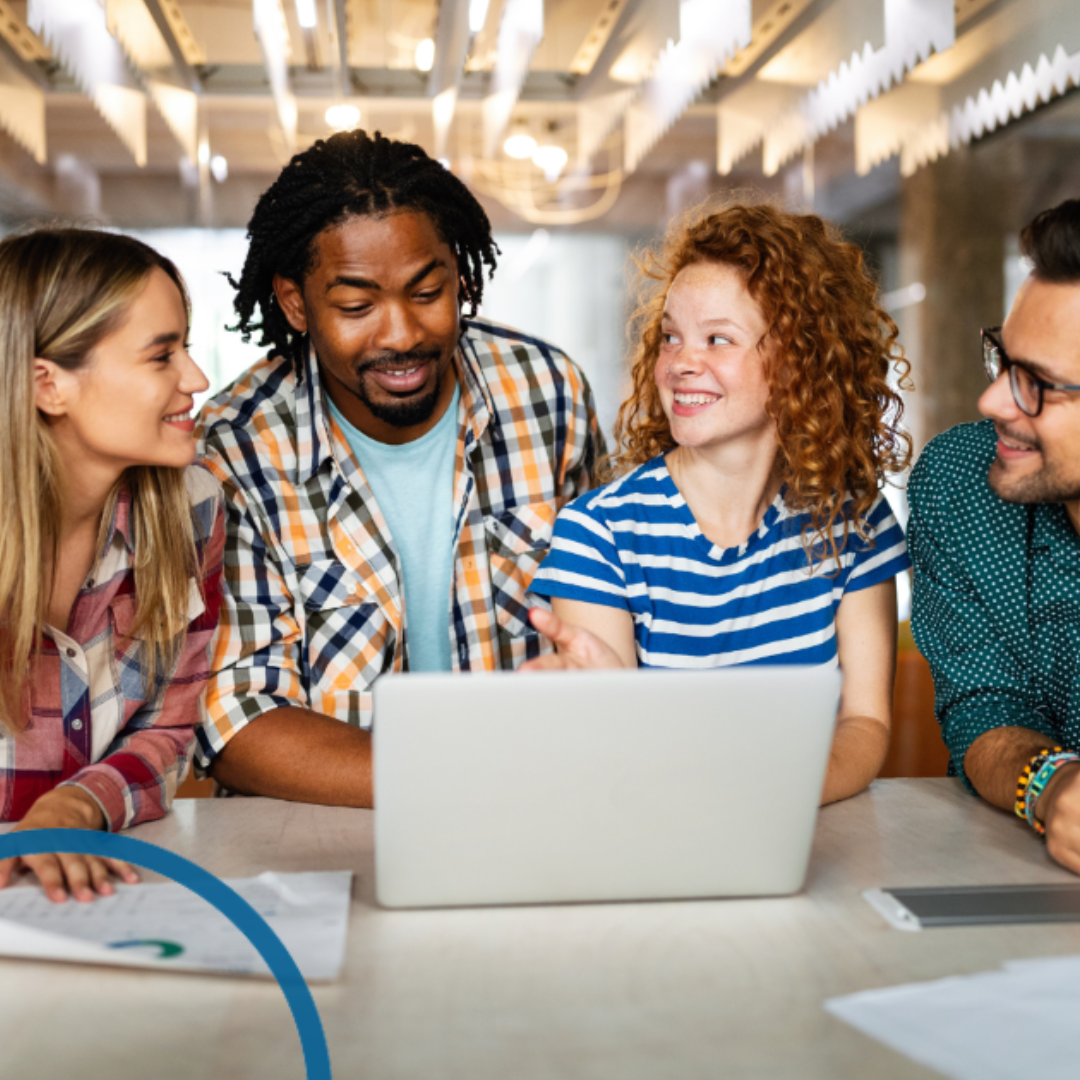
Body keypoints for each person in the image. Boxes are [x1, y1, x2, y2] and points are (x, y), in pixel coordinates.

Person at [195, 129, 604, 805]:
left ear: (461, 276)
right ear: (296, 304)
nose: (402, 335)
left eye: (426, 292)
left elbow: (611, 624)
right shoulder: (237, 450)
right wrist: (461, 785)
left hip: (543, 812)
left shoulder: (546, 392)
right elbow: (237, 717)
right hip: (332, 840)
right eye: (356, 306)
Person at [526, 201, 912, 805]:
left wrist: (777, 802)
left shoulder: (854, 523)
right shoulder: (598, 533)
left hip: (811, 842)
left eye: (718, 339)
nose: (681, 362)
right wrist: (611, 707)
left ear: (799, 361)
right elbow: (617, 762)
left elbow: (864, 724)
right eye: (671, 336)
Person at [0, 229, 225, 903]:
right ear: (49, 385)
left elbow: (167, 727)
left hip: (78, 900)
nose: (197, 380)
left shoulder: (193, 512)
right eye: (162, 357)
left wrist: (76, 807)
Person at [908, 199, 1080, 871]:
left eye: (1037, 384)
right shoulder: (958, 485)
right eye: (1004, 362)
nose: (993, 402)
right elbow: (984, 706)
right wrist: (1050, 785)